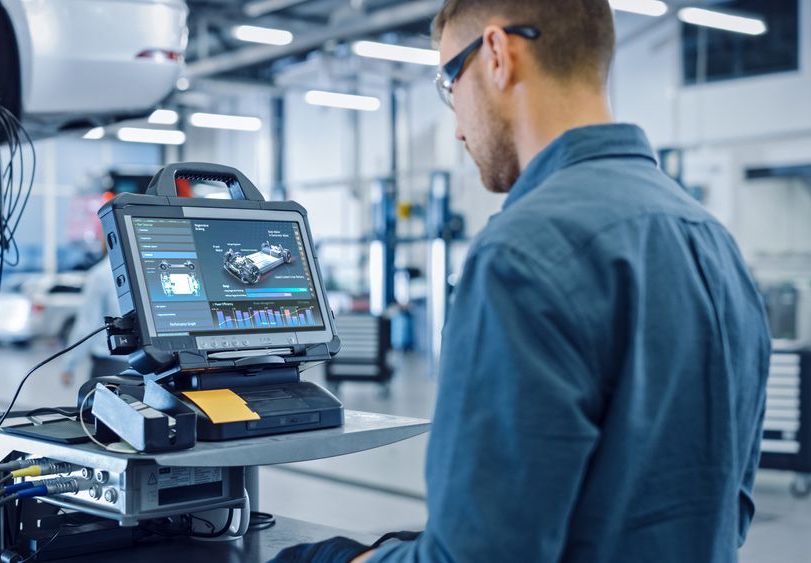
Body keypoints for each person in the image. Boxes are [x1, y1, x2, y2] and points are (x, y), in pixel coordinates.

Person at [272, 1, 770, 562]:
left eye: (448, 83)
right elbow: (728, 511)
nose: (457, 128)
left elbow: (476, 556)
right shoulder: (713, 241)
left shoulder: (520, 254)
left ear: (496, 54)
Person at [60, 256, 126, 386]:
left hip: (111, 365)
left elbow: (87, 325)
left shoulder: (101, 273)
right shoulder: (148, 266)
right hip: (153, 367)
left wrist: (69, 365)